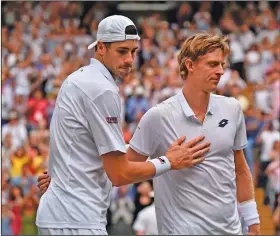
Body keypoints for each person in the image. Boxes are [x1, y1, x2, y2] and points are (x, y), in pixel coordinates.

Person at [38, 33, 261, 235]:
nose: (221, 71)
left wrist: (252, 221)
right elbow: (122, 169)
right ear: (190, 65)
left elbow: (240, 170)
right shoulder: (158, 116)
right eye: (213, 64)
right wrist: (64, 178)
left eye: (222, 64)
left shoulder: (232, 109)